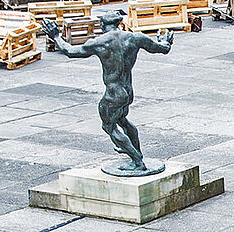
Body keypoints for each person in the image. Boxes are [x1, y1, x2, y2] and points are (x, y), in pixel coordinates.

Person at [41, 12, 173, 174]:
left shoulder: (99, 42)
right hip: (128, 91)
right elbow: (162, 48)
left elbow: (70, 51)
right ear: (118, 24)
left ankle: (137, 160)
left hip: (113, 93)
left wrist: (55, 36)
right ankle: (136, 153)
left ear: (102, 26)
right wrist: (165, 40)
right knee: (122, 121)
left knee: (109, 126)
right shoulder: (134, 38)